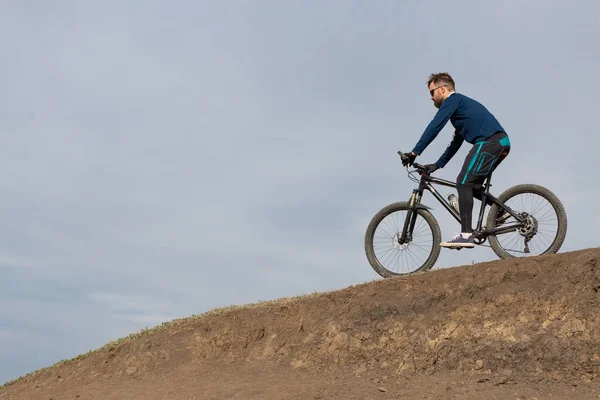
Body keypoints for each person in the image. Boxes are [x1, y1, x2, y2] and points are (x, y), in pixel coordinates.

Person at [402, 72, 511, 249]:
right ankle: (500, 211)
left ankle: (466, 235)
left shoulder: (453, 100)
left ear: (442, 89)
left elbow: (435, 126)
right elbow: (455, 143)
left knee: (463, 182)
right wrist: (437, 165)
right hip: (499, 143)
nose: (431, 98)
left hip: (491, 142)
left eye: (431, 92)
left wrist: (415, 152)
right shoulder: (460, 112)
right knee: (472, 185)